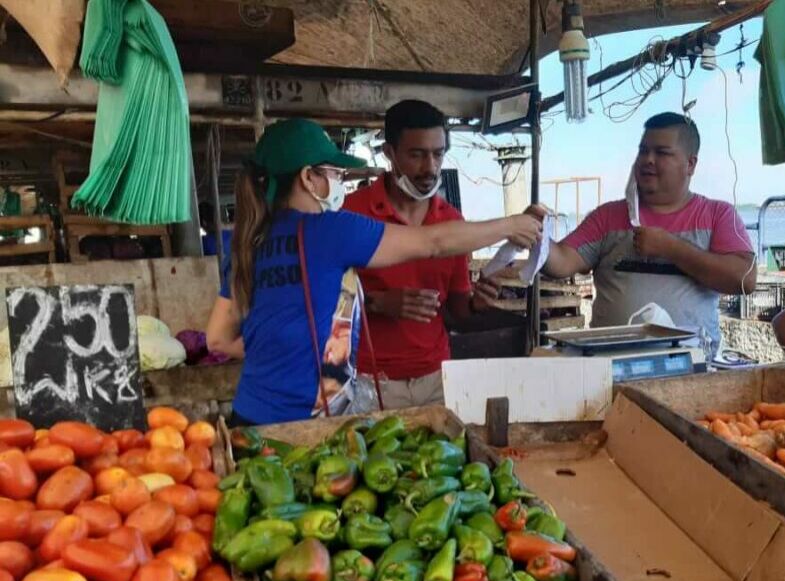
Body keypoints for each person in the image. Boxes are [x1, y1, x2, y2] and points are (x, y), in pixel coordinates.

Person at [205, 118, 540, 425]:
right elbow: (433, 242)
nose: (339, 181)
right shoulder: (329, 230)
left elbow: (217, 338)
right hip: (305, 426)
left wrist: (277, 351)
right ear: (308, 178)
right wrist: (511, 225)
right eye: (333, 173)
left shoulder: (248, 241)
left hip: (247, 417)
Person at [541, 112, 756, 355]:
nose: (648, 160)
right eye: (643, 151)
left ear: (690, 164)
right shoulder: (607, 217)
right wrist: (535, 235)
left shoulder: (718, 214)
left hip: (692, 367)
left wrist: (671, 248)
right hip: (610, 366)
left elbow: (744, 279)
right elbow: (560, 262)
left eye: (662, 153)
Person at [345, 100, 502, 409]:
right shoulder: (352, 213)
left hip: (437, 378)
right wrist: (377, 302)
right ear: (389, 153)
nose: (430, 168)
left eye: (438, 154)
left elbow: (457, 310)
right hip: (368, 380)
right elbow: (325, 305)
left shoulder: (453, 223)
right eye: (416, 155)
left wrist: (477, 304)